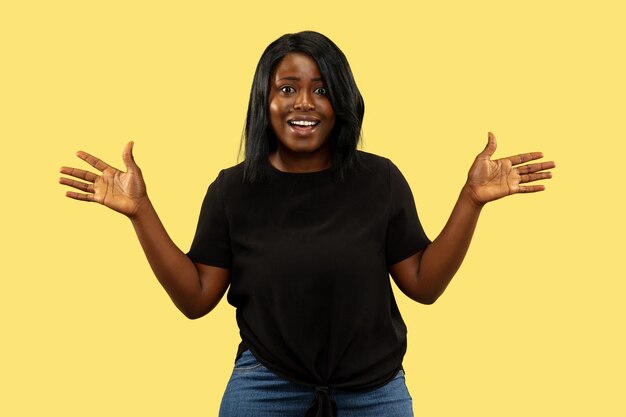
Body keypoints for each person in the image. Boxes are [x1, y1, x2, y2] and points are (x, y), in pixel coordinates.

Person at [59, 31, 555, 417]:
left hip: (374, 392)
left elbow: (423, 285)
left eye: (321, 89)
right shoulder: (232, 191)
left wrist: (471, 200)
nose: (303, 102)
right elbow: (195, 299)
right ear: (265, 101)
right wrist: (142, 213)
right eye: (288, 88)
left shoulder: (379, 179)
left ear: (340, 102)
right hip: (265, 386)